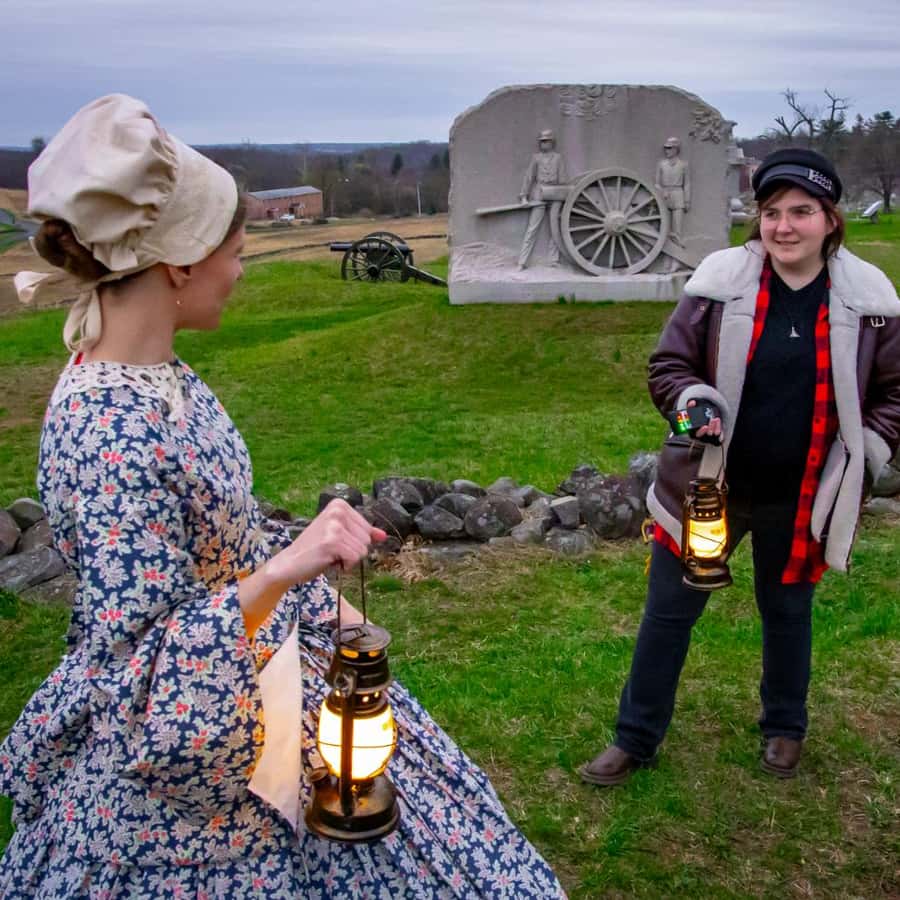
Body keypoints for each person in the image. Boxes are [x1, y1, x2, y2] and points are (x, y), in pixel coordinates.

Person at [0, 95, 566, 899]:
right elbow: (149, 671)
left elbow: (212, 549)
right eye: (233, 251)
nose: (240, 269)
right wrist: (286, 573)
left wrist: (302, 594)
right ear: (179, 263)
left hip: (258, 664)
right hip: (194, 752)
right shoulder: (107, 433)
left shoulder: (161, 377)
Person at [580, 147, 900, 786]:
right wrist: (692, 406)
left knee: (787, 614)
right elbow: (668, 368)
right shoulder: (719, 285)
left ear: (830, 220)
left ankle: (785, 728)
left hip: (805, 494)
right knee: (669, 613)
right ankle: (634, 739)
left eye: (801, 212)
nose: (784, 226)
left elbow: (896, 392)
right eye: (772, 212)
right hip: (709, 488)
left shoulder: (869, 301)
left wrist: (869, 444)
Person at [517, 129, 567, 270]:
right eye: (541, 141)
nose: (543, 143)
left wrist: (562, 189)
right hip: (539, 193)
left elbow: (563, 178)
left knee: (555, 230)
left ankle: (554, 260)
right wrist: (524, 196)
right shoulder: (536, 158)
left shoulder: (558, 158)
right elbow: (529, 177)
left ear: (552, 143)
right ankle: (522, 262)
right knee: (532, 229)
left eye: (546, 141)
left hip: (554, 194)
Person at [654, 137, 690, 244]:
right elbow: (656, 183)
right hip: (664, 195)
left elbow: (687, 183)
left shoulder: (683, 165)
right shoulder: (661, 164)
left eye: (669, 148)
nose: (666, 150)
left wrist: (687, 201)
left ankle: (677, 251)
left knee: (677, 228)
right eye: (666, 148)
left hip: (678, 195)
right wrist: (662, 191)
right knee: (664, 226)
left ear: (676, 149)